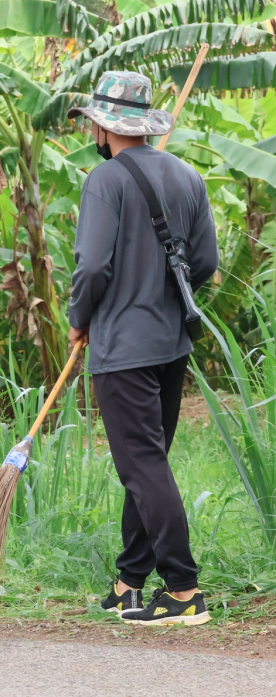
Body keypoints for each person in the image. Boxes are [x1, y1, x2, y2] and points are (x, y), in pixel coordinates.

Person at [67, 71, 219, 626]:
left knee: (142, 465)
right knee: (146, 463)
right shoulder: (186, 175)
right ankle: (130, 580)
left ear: (104, 128)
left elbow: (91, 266)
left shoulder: (104, 180)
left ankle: (183, 590)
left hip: (123, 348)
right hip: (170, 344)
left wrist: (78, 320)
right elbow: (204, 263)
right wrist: (161, 295)